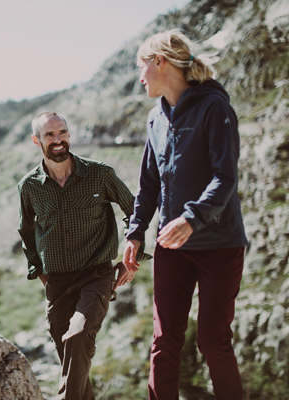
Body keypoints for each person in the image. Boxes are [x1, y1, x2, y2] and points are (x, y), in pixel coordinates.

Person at [122, 29, 249, 399]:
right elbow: (148, 184)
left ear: (160, 62)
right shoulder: (155, 118)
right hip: (172, 247)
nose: (140, 76)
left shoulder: (215, 108)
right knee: (164, 343)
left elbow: (226, 177)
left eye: (141, 66)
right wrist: (135, 232)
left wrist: (192, 218)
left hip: (219, 245)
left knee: (213, 341)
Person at [18, 111, 150, 400]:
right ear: (36, 140)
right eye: (49, 134)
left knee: (77, 337)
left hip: (97, 275)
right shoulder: (29, 187)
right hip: (56, 283)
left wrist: (133, 252)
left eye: (62, 132)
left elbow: (134, 209)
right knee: (71, 359)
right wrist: (39, 272)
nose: (58, 139)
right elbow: (26, 231)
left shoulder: (99, 174)